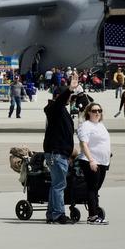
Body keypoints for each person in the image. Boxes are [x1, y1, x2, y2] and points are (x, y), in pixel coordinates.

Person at [41, 87, 76, 225]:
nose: (70, 98)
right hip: (57, 153)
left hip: (60, 153)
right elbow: (60, 101)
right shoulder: (54, 108)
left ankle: (51, 213)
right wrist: (69, 89)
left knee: (56, 185)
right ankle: (58, 214)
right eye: (68, 96)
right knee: (59, 185)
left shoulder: (60, 110)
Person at [76, 102, 110, 224]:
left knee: (96, 189)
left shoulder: (101, 125)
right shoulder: (85, 126)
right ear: (88, 112)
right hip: (90, 161)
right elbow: (83, 144)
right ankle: (92, 216)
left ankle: (95, 211)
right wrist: (91, 160)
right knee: (92, 188)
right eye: (94, 111)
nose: (97, 113)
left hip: (103, 162)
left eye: (99, 111)